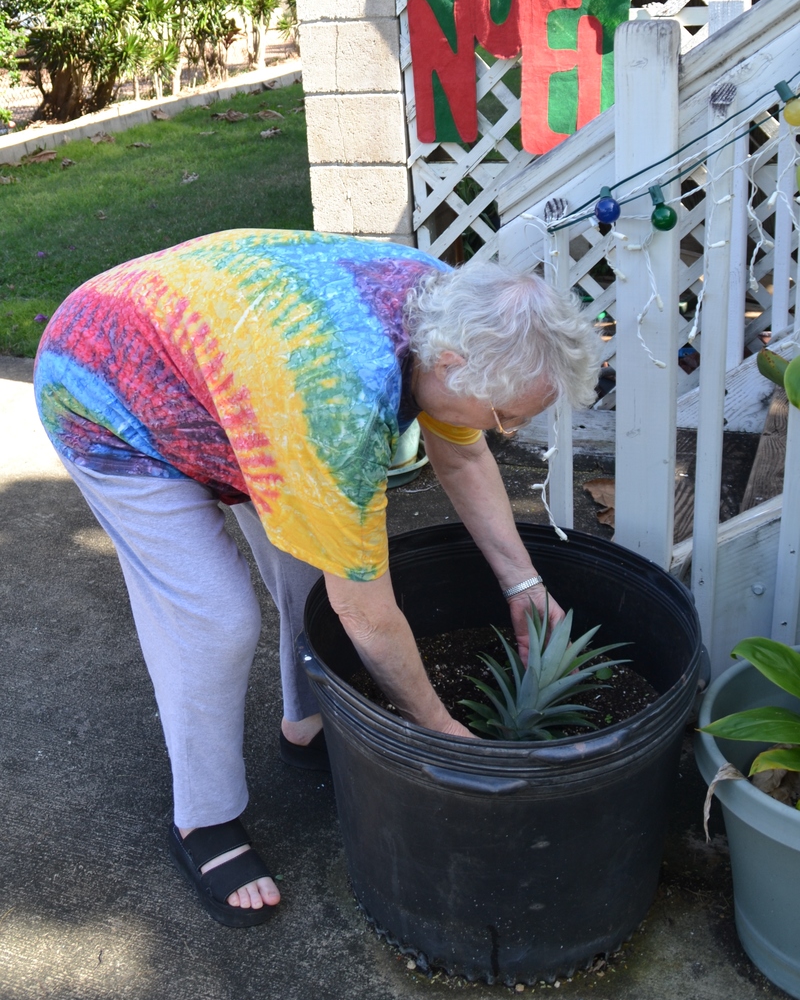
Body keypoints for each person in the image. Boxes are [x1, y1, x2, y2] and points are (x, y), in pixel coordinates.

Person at [34, 228, 602, 927]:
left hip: (233, 371)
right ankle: (203, 818)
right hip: (105, 386)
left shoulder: (457, 312)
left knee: (316, 575)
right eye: (505, 416)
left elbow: (461, 452)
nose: (507, 430)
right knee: (215, 619)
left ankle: (304, 723)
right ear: (451, 364)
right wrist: (439, 730)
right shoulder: (340, 401)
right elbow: (365, 610)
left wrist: (523, 584)